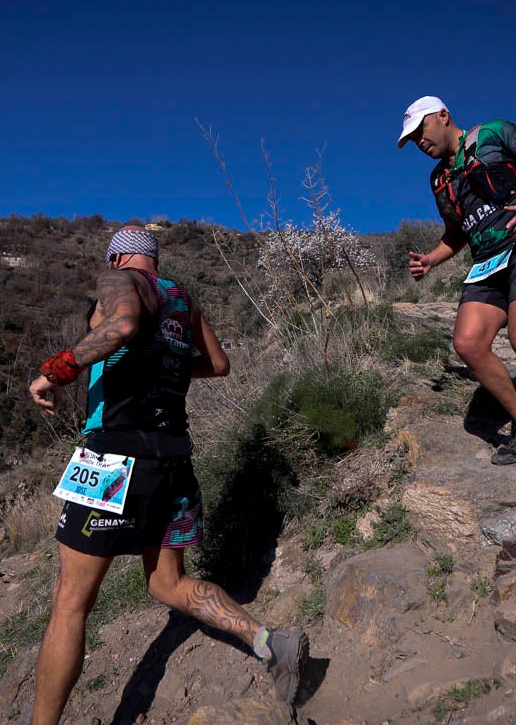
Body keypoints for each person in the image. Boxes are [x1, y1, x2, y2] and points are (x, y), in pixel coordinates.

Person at [27, 225, 308, 725]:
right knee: (167, 584)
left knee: (69, 603)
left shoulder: (117, 283)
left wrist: (56, 369)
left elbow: (125, 326)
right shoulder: (183, 301)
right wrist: (166, 365)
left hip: (112, 458)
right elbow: (219, 365)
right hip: (174, 461)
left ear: (117, 260)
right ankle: (271, 642)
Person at [397, 96, 516, 501]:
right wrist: (431, 260)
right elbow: (457, 233)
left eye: (421, 130)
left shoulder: (494, 133)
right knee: (468, 342)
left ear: (443, 116)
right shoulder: (439, 180)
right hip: (486, 263)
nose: (419, 141)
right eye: (412, 138)